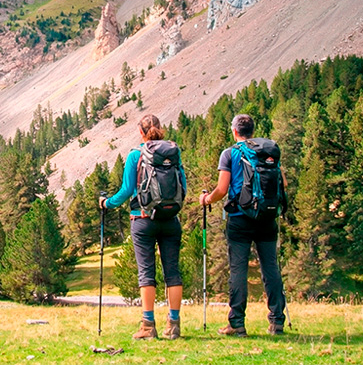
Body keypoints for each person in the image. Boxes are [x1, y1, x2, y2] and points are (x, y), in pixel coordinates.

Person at [99, 114, 186, 340]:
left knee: (146, 272)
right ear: (160, 129)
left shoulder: (136, 155)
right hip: (170, 220)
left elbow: (127, 190)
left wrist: (107, 203)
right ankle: (174, 325)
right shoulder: (174, 154)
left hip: (143, 219)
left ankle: (148, 326)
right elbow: (183, 186)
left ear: (141, 132)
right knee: (172, 272)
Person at [199, 113, 286, 336]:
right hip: (267, 218)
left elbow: (222, 189)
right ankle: (277, 321)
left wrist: (207, 199)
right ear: (252, 131)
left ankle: (237, 323)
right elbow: (282, 183)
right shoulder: (268, 151)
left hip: (239, 218)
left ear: (235, 131)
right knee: (271, 268)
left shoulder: (230, 154)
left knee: (238, 269)